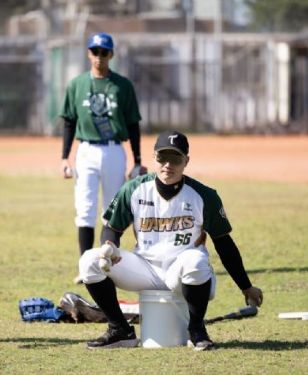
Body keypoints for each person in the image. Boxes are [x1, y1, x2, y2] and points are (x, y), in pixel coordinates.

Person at [78, 130, 263, 350]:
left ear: (186, 161)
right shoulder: (134, 189)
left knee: (196, 261)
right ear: (154, 157)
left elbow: (225, 245)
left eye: (175, 158)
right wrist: (109, 245)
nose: (168, 164)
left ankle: (196, 331)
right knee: (89, 261)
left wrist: (246, 286)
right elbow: (112, 228)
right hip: (144, 268)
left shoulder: (204, 196)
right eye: (162, 157)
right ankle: (120, 330)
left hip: (184, 272)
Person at [58, 32, 147, 278]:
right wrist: (64, 157)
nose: (99, 57)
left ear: (112, 55)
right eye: (95, 51)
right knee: (84, 209)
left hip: (114, 150)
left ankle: (108, 265)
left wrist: (137, 160)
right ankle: (86, 266)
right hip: (85, 150)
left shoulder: (122, 85)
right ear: (88, 53)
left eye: (104, 52)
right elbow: (68, 121)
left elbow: (133, 125)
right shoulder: (77, 84)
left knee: (112, 209)